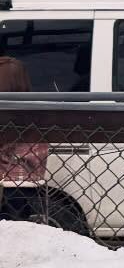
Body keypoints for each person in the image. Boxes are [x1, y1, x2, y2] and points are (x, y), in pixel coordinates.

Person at [0, 55, 88, 236]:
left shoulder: (9, 113)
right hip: (27, 182)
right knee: (17, 229)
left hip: (8, 183)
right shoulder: (35, 113)